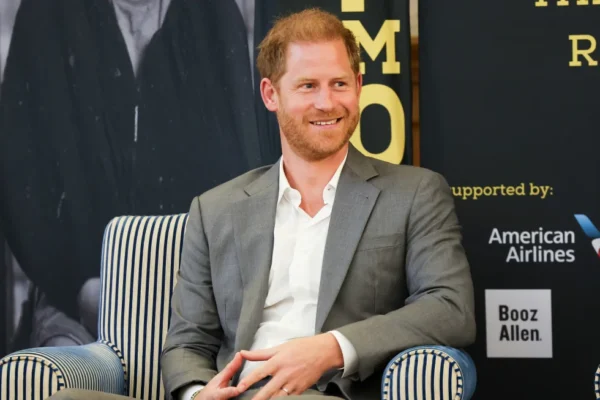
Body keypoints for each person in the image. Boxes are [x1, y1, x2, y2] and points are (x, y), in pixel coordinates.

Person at [48, 7, 475, 400]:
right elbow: (187, 342)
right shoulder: (214, 209)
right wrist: (198, 393)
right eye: (308, 86)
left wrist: (330, 350)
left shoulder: (415, 192)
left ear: (359, 87)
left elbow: (450, 308)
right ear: (271, 95)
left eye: (339, 83)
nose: (326, 102)